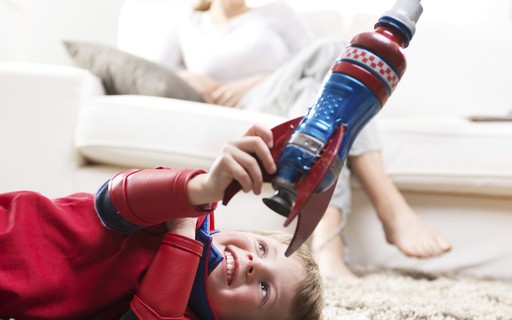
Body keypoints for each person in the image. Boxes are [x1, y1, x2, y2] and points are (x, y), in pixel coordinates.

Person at [156, 0, 452, 277]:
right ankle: (381, 213)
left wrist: (257, 80)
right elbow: (159, 74)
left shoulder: (275, 12)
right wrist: (188, 77)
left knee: (322, 81)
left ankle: (330, 246)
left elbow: (327, 66)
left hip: (295, 98)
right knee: (332, 71)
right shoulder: (189, 22)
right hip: (248, 105)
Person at [0, 124, 323, 320]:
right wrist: (204, 188)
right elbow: (113, 199)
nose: (253, 264)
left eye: (265, 289)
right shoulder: (188, 209)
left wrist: (180, 243)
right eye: (262, 248)